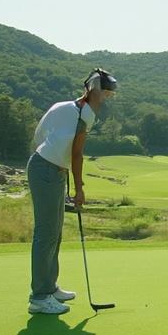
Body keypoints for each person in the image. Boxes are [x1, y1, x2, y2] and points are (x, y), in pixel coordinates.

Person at [27, 68, 117, 314]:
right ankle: (39, 297)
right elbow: (77, 154)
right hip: (47, 171)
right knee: (45, 234)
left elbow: (39, 136)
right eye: (105, 93)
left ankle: (49, 286)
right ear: (93, 90)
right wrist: (79, 189)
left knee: (54, 233)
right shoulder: (86, 113)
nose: (106, 98)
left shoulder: (61, 106)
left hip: (47, 168)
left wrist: (58, 163)